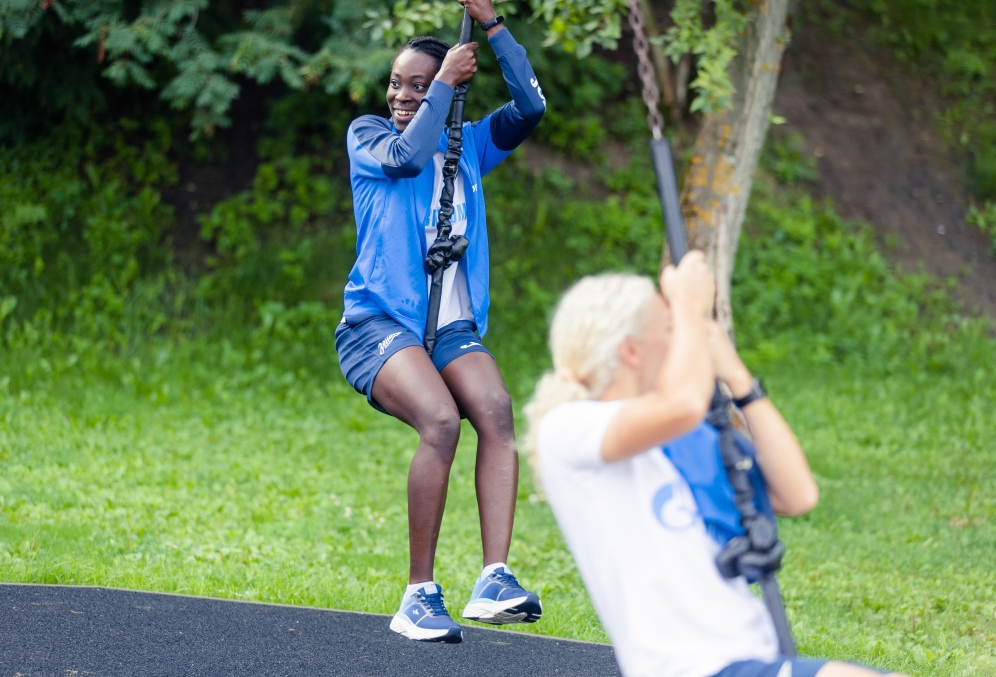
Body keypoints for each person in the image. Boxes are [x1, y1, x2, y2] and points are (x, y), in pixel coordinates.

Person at [523, 255, 909, 677]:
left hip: (752, 656)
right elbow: (682, 403)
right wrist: (688, 305)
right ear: (631, 351)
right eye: (669, 329)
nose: (682, 340)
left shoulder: (682, 437)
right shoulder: (568, 429)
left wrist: (739, 379)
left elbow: (797, 494)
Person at [334, 0, 546, 644]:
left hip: (446, 328)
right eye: (397, 83)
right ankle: (418, 596)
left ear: (450, 92)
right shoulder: (370, 136)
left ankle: (494, 580)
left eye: (418, 85)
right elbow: (405, 156)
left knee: (497, 411)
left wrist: (495, 27)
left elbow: (531, 108)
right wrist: (442, 88)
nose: (401, 95)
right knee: (441, 421)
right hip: (377, 325)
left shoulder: (470, 146)